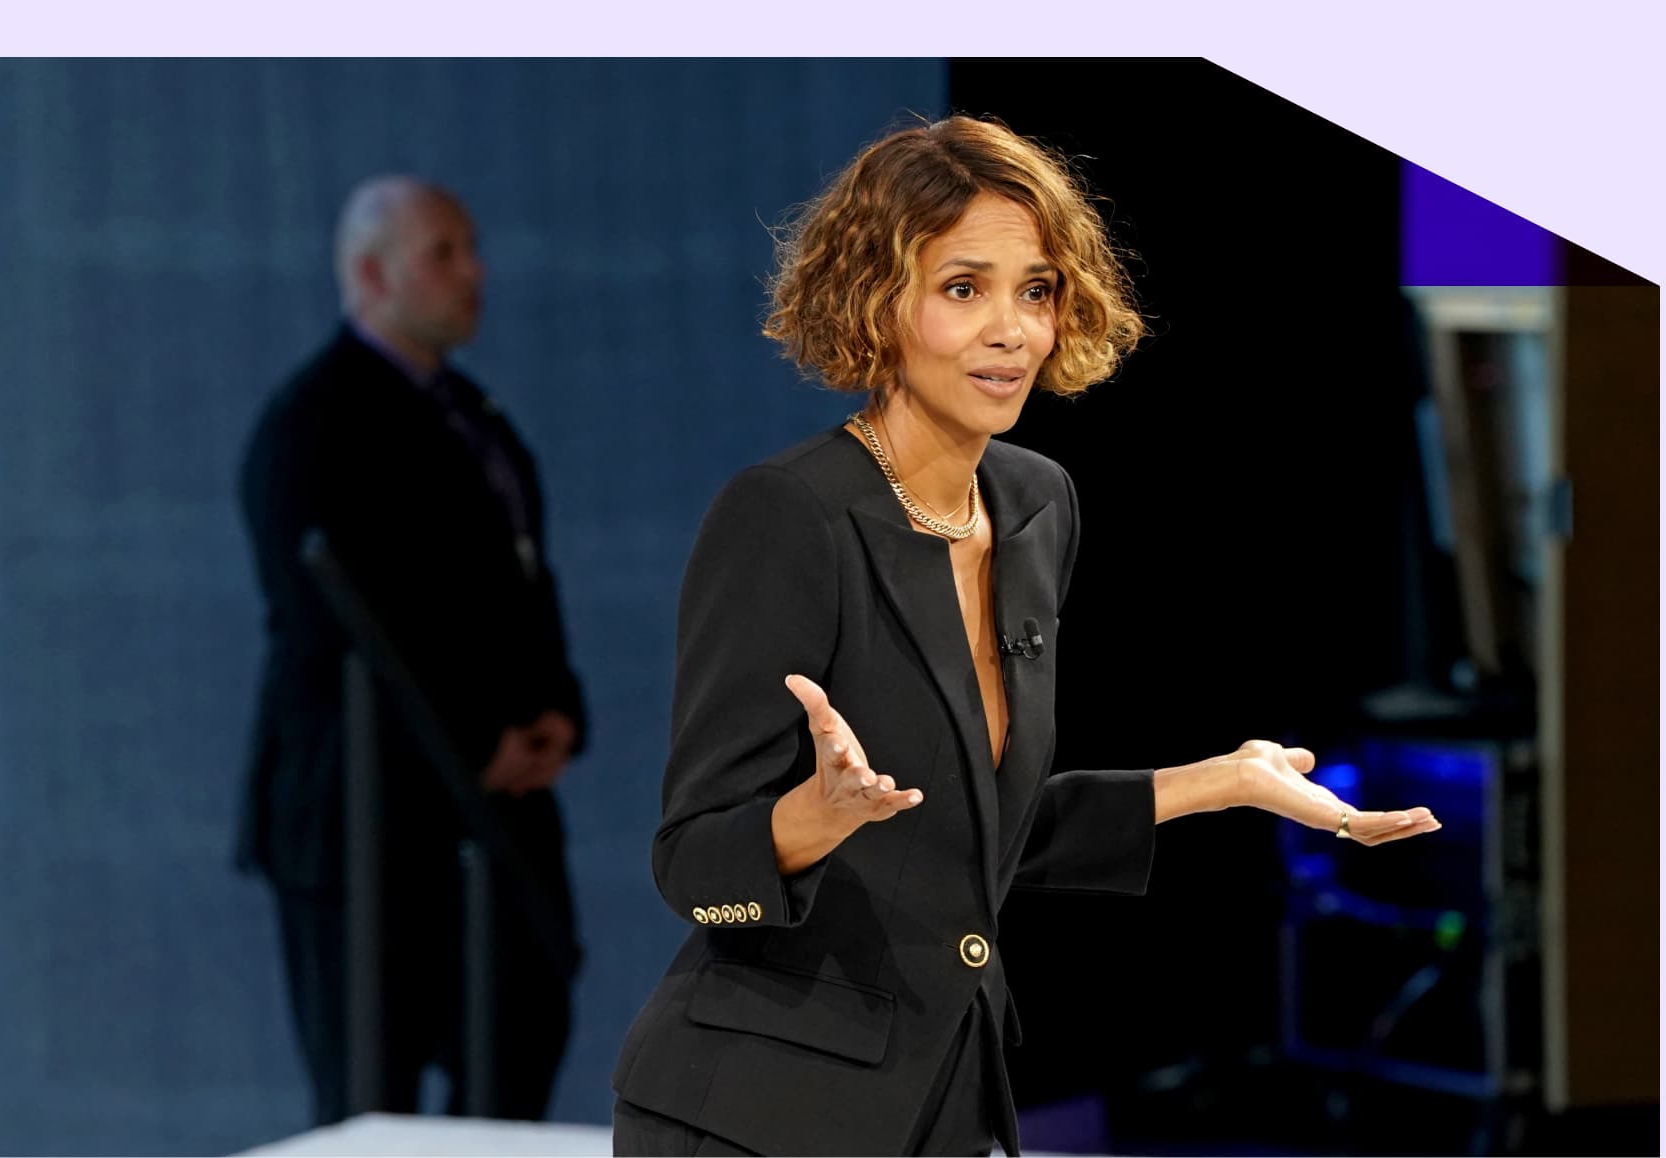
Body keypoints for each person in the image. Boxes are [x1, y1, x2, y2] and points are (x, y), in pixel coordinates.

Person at [609, 117, 1441, 1157]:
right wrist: (813, 820)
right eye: (964, 288)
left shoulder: (1037, 504)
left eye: (1036, 290)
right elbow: (691, 863)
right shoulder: (789, 516)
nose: (1012, 329)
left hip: (946, 1099)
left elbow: (978, 830)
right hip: (756, 1115)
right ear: (881, 300)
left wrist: (1220, 780)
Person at [236, 176, 586, 1125]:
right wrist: (475, 739)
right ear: (369, 273)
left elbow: (522, 585)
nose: (474, 273)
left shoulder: (476, 418)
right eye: (444, 253)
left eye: (471, 248)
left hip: (495, 821)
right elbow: (336, 625)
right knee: (369, 1099)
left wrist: (555, 710)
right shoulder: (314, 424)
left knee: (517, 1053)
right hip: (368, 827)